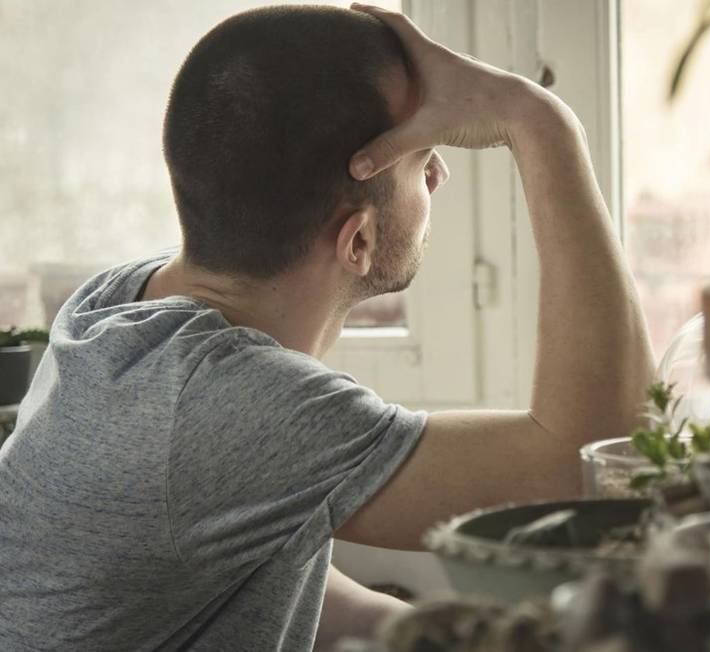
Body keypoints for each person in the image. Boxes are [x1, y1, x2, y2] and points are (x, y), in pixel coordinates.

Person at [0, 3, 653, 650]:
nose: (439, 171)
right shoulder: (229, 406)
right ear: (359, 241)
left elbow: (237, 536)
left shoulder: (117, 306)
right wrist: (539, 121)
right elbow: (596, 457)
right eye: (418, 154)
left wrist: (406, 626)